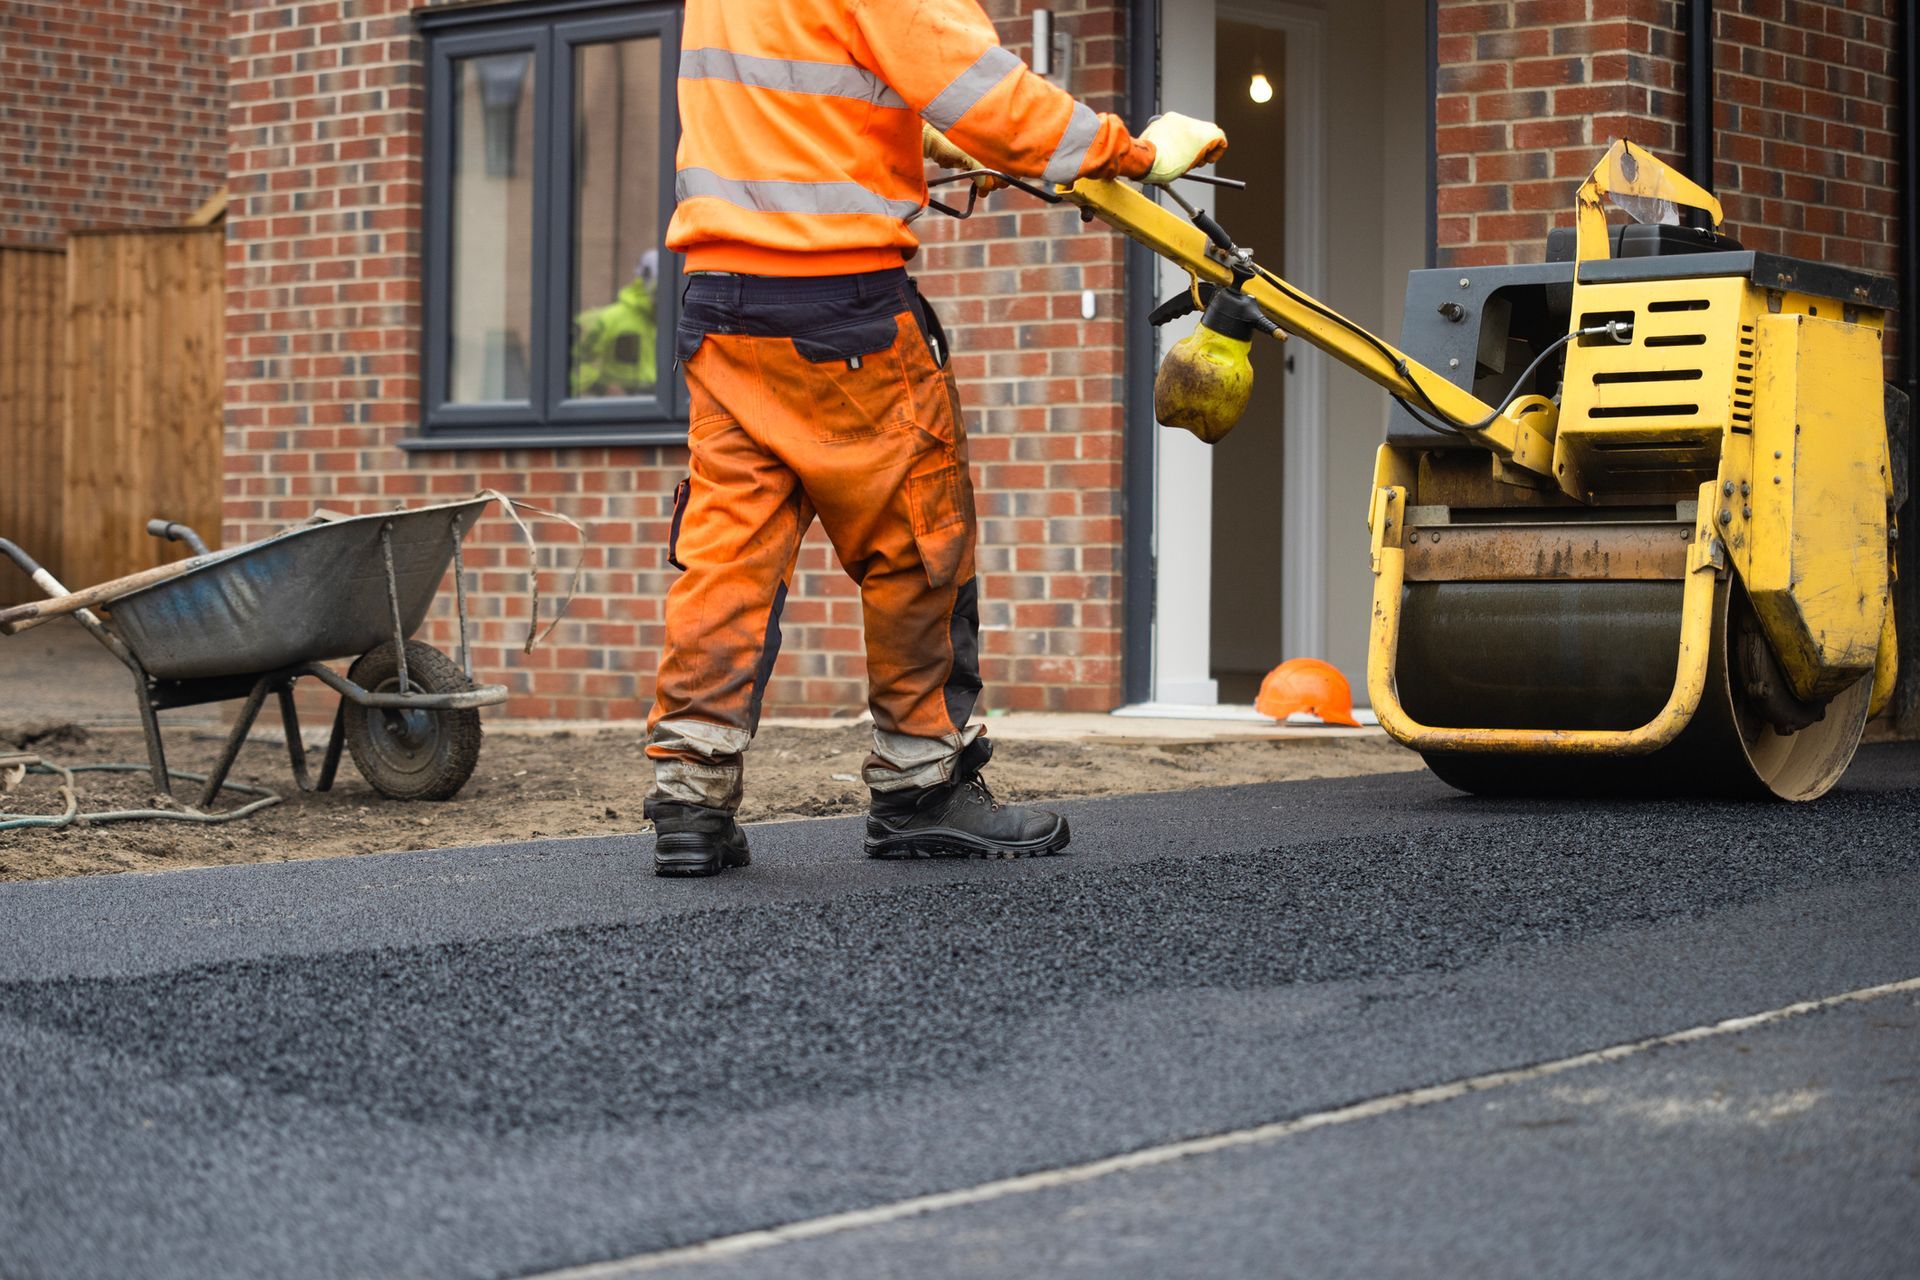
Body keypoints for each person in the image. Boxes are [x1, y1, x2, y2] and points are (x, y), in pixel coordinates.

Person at [646, 0, 1229, 876]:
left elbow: (786, 116)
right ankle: (921, 785)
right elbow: (983, 90)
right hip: (842, 313)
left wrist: (923, 145)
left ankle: (690, 798)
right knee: (918, 538)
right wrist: (1137, 153)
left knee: (729, 552)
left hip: (723, 306)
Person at [570, 250, 659, 398]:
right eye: (658, 290)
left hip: (660, 404)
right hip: (621, 405)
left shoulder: (676, 321)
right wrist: (601, 387)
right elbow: (571, 361)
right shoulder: (608, 320)